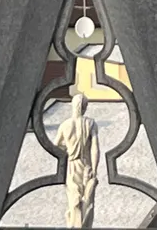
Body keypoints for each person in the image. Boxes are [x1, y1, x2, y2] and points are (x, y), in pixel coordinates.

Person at [53, 93, 99, 229]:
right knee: (87, 201)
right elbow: (95, 149)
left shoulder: (65, 125)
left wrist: (68, 149)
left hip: (71, 167)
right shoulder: (91, 124)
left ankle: (74, 225)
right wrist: (94, 170)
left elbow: (55, 147)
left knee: (74, 200)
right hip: (86, 166)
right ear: (84, 107)